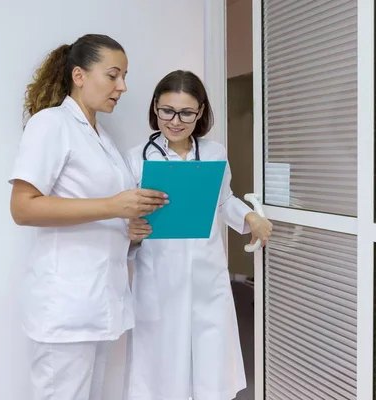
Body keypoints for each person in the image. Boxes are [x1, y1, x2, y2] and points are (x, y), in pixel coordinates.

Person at [8, 34, 168, 400]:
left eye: (124, 76)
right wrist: (114, 205)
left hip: (100, 300)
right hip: (66, 304)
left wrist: (132, 229)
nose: (122, 86)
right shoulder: (50, 124)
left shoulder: (104, 138)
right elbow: (23, 207)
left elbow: (104, 211)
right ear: (79, 75)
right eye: (113, 76)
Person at [123, 70, 273, 400]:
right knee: (160, 364)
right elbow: (125, 217)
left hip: (207, 273)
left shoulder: (215, 153)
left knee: (210, 359)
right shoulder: (136, 158)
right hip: (158, 273)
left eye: (186, 112)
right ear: (155, 108)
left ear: (201, 112)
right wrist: (130, 231)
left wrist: (249, 217)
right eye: (167, 111)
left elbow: (223, 200)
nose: (175, 121)